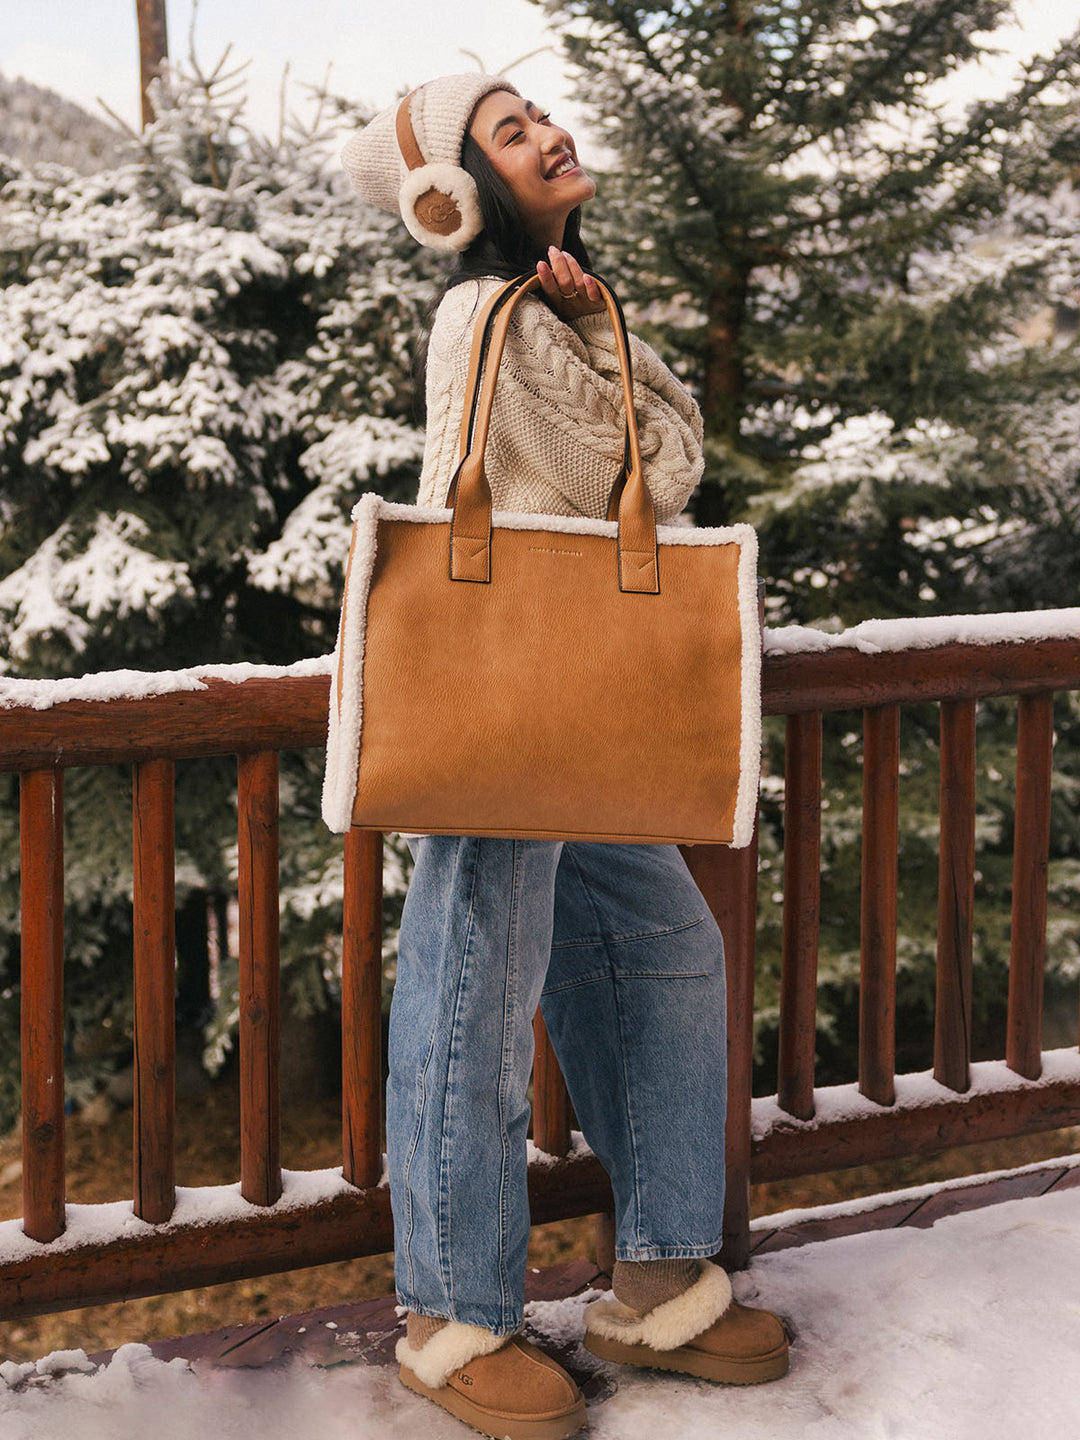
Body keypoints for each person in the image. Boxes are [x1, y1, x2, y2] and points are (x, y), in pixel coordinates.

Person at [340, 73, 789, 1440]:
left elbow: (665, 470)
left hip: (575, 699)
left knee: (664, 947)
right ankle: (451, 1313)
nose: (550, 133)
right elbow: (630, 471)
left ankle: (655, 1276)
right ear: (458, 193)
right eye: (511, 132)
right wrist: (611, 349)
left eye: (540, 113)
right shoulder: (486, 310)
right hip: (502, 696)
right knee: (472, 995)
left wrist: (605, 331)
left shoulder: (555, 306)